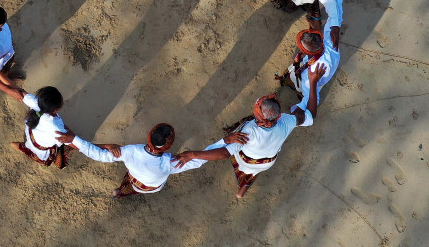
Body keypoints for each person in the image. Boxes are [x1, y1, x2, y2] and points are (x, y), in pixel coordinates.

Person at [172, 94, 312, 198]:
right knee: (255, 171)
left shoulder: (249, 131)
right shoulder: (287, 120)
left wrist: (192, 154)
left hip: (246, 160)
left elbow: (224, 153)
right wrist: (313, 83)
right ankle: (241, 192)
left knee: (245, 162)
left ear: (258, 115)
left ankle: (242, 188)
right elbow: (310, 118)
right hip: (267, 162)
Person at [56, 123, 199, 198]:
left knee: (126, 184)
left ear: (149, 137)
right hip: (149, 188)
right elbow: (200, 161)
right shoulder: (172, 162)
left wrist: (74, 141)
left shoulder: (130, 150)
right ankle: (121, 193)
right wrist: (192, 154)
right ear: (169, 146)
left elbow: (99, 154)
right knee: (133, 190)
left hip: (133, 178)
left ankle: (120, 192)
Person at [276, 28, 340, 115]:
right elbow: (335, 18)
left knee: (294, 78)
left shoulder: (309, 75)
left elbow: (313, 100)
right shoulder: (331, 40)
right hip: (324, 73)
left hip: (312, 82)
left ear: (303, 50)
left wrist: (312, 83)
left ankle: (296, 89)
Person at [13, 86, 74, 169]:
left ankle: (22, 146)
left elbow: (15, 88)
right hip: (41, 148)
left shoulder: (35, 102)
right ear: (56, 109)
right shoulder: (56, 127)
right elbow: (78, 144)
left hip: (32, 136)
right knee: (64, 147)